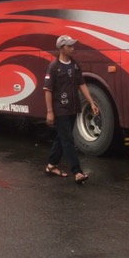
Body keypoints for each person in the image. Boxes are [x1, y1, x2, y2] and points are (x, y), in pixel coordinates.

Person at [43, 34, 99, 183]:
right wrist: (50, 112)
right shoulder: (53, 67)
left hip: (73, 108)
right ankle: (77, 172)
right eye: (70, 46)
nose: (73, 48)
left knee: (62, 138)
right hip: (60, 109)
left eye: (73, 45)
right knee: (68, 139)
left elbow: (82, 84)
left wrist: (91, 103)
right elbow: (47, 90)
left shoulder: (74, 65)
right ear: (62, 48)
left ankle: (51, 165)